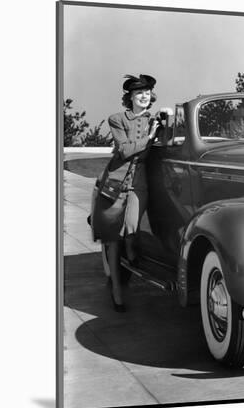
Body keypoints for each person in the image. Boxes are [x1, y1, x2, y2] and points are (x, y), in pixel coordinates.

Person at [106, 74, 161, 312]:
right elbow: (125, 150)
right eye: (139, 92)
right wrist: (149, 138)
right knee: (112, 240)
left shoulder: (156, 119)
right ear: (129, 97)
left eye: (147, 92)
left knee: (131, 228)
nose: (144, 96)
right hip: (115, 181)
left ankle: (131, 252)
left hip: (139, 183)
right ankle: (117, 293)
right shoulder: (117, 119)